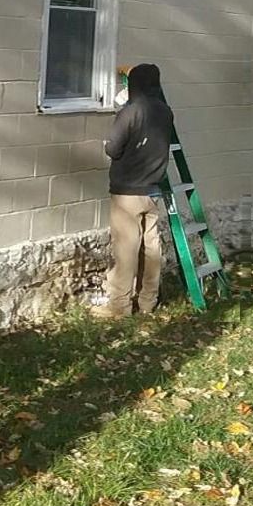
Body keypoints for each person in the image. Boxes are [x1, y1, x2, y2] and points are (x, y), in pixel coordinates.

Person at [97, 62, 174, 317]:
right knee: (151, 247)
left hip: (128, 191)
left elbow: (113, 148)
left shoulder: (131, 112)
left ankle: (119, 306)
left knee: (126, 247)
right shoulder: (165, 111)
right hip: (153, 190)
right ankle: (147, 302)